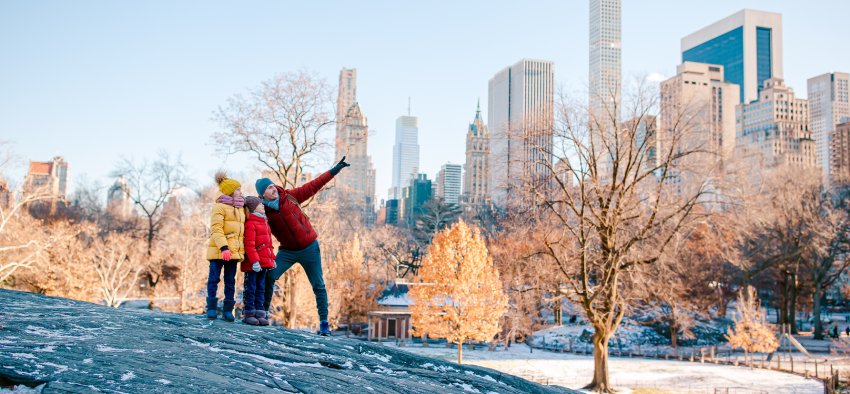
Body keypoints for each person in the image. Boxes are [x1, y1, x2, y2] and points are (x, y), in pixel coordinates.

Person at [257, 157, 349, 336]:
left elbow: (315, 185)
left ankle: (324, 324)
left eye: (273, 185)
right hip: (287, 252)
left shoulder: (290, 197)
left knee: (318, 285)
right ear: (262, 195)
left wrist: (335, 170)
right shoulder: (263, 212)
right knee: (269, 276)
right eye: (268, 188)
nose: (273, 188)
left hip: (309, 249)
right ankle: (262, 316)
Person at [205, 171, 246, 322]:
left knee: (230, 280)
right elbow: (216, 229)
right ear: (230, 191)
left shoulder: (241, 208)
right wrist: (224, 247)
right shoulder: (219, 207)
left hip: (234, 252)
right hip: (219, 250)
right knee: (214, 279)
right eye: (238, 190)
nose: (241, 192)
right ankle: (211, 308)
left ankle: (228, 310)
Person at [241, 196, 275, 326]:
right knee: (251, 288)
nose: (263, 206)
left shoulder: (265, 222)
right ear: (254, 207)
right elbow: (249, 245)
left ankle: (260, 313)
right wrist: (255, 261)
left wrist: (273, 259)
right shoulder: (250, 223)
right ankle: (249, 313)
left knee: (261, 288)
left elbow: (268, 244)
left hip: (264, 263)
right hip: (253, 264)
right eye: (260, 205)